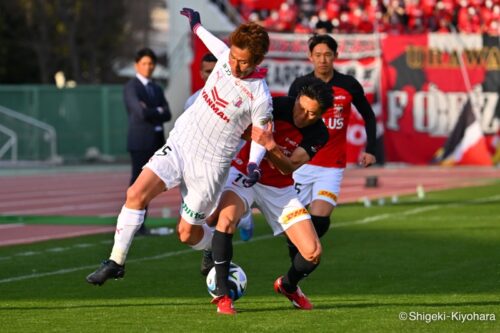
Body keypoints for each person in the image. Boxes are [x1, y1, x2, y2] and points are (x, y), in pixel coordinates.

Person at [85, 8, 273, 286]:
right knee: (135, 193)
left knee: (186, 233)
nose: (234, 64)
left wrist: (255, 164)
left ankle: (210, 249)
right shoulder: (225, 58)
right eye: (233, 56)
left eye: (243, 62)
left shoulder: (259, 96)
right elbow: (214, 43)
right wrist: (196, 25)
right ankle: (116, 262)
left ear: (256, 61)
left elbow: (260, 136)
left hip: (210, 166)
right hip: (181, 144)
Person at [208, 79, 333, 314]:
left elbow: (289, 166)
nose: (304, 116)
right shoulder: (275, 106)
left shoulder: (319, 134)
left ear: (321, 114)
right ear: (296, 100)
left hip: (280, 188)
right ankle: (223, 295)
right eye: (301, 108)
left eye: (312, 113)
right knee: (224, 220)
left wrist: (270, 145)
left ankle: (288, 286)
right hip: (247, 174)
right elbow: (242, 128)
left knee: (313, 253)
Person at [286, 34, 377, 262]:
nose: (323, 60)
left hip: (332, 165)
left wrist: (371, 148)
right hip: (301, 163)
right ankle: (296, 270)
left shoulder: (348, 85)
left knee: (319, 218)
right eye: (318, 55)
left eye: (327, 54)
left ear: (336, 56)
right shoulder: (300, 85)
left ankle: (302, 260)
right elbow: (287, 121)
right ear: (310, 57)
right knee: (291, 224)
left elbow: (368, 116)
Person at [124, 47, 172, 235]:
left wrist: (155, 111)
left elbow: (167, 113)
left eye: (151, 63)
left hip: (156, 141)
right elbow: (140, 112)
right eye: (144, 63)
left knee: (150, 185)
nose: (148, 67)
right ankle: (132, 225)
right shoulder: (131, 87)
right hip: (140, 141)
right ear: (137, 65)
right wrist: (157, 110)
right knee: (137, 183)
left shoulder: (156, 88)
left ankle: (141, 223)